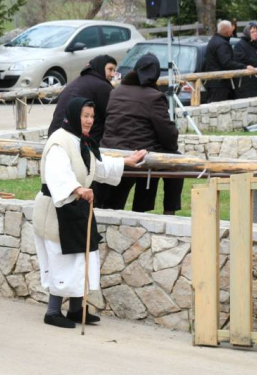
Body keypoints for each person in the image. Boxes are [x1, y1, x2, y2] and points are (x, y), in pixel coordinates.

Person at [33, 97, 146, 329]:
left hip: (77, 206)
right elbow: (57, 174)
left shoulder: (82, 142)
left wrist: (127, 162)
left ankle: (76, 309)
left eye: (92, 117)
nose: (89, 121)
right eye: (85, 116)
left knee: (81, 257)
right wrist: (77, 189)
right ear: (75, 115)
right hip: (57, 208)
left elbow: (98, 167)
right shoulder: (59, 142)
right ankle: (52, 311)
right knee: (62, 258)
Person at [99, 54, 183, 215]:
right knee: (175, 161)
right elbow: (167, 134)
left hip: (110, 149)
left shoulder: (116, 92)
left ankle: (120, 210)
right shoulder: (154, 97)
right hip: (137, 153)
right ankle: (168, 212)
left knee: (145, 160)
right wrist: (171, 145)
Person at [48, 55, 117, 144]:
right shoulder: (102, 86)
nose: (112, 74)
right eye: (110, 69)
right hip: (77, 140)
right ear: (100, 67)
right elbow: (111, 118)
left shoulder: (78, 81)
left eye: (114, 71)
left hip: (54, 135)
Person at [205, 20, 254, 103]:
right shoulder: (222, 44)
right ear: (228, 31)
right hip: (220, 83)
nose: (232, 32)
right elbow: (226, 63)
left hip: (215, 82)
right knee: (217, 108)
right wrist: (244, 67)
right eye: (231, 30)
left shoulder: (214, 40)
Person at [234, 22, 257, 99]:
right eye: (252, 32)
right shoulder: (240, 45)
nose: (255, 33)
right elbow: (242, 58)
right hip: (246, 82)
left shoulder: (254, 43)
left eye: (256, 31)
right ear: (247, 32)